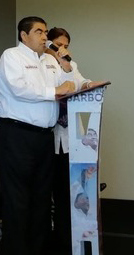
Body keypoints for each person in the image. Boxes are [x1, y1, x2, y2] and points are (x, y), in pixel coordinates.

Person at [0, 16, 77, 255]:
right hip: (18, 135)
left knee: (41, 196)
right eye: (39, 32)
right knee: (18, 198)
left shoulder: (49, 61)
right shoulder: (11, 56)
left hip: (44, 137)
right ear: (24, 35)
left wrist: (65, 65)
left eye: (45, 32)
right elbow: (19, 89)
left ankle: (39, 248)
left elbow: (68, 86)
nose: (44, 37)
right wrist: (55, 91)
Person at [46, 27, 93, 253]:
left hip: (69, 137)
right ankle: (51, 236)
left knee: (67, 189)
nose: (62, 49)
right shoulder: (43, 65)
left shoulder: (70, 64)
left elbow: (80, 82)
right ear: (48, 45)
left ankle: (67, 238)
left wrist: (88, 84)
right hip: (48, 136)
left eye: (65, 45)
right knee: (51, 188)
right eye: (58, 44)